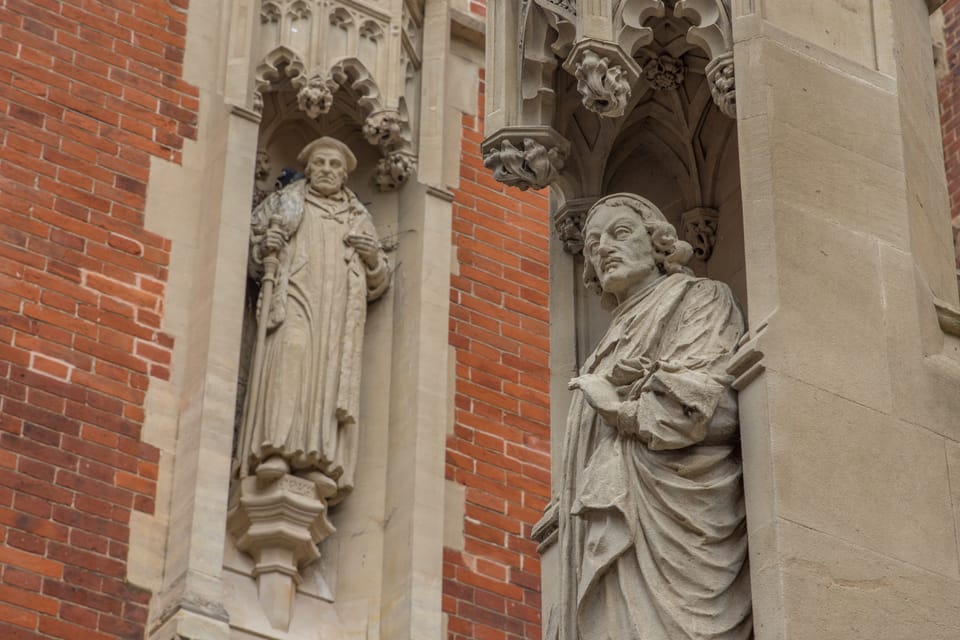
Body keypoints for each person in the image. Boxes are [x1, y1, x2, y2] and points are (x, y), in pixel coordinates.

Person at [555, 193, 752, 639]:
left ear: (658, 242)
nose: (604, 248)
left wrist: (619, 409)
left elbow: (710, 406)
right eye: (592, 245)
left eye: (620, 233)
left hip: (680, 515)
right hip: (615, 515)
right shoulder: (601, 347)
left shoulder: (699, 297)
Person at [237, 136, 389, 505]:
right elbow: (254, 248)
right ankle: (273, 448)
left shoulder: (358, 218)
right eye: (319, 163)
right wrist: (266, 245)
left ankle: (321, 460)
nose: (326, 170)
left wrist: (372, 258)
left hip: (336, 314)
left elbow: (379, 279)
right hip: (293, 300)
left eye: (334, 165)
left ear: (345, 176)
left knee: (328, 377)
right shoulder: (286, 203)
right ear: (307, 169)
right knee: (290, 359)